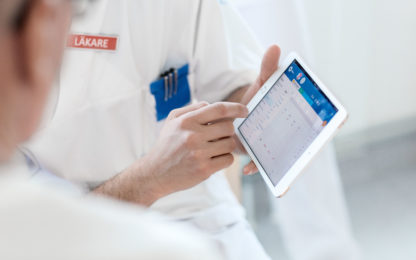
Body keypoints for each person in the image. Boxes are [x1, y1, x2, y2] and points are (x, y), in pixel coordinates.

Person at [23, 0, 280, 259]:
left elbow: (230, 85)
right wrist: (151, 178)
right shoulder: (16, 28)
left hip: (202, 221)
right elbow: (35, 232)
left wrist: (251, 109)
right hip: (81, 237)